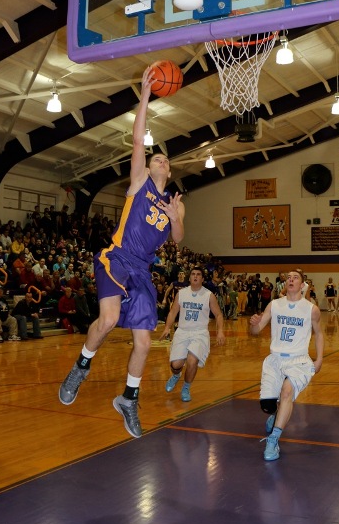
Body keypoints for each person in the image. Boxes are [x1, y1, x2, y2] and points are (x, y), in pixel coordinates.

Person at [58, 66, 185, 438]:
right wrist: (145, 95)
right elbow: (138, 140)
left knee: (144, 341)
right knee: (109, 320)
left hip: (143, 270)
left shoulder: (175, 202)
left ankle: (129, 398)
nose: (160, 160)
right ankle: (81, 367)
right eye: (156, 158)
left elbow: (178, 238)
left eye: (165, 160)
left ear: (169, 171)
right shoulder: (139, 181)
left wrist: (173, 216)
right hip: (117, 258)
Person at [250, 269, 323, 462]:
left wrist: (319, 359)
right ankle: (275, 415)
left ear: (302, 285)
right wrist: (254, 324)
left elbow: (319, 334)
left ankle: (273, 440)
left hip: (299, 360)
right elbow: (256, 331)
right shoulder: (274, 305)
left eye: (295, 277)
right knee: (268, 406)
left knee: (287, 392)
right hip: (276, 359)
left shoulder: (311, 309)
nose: (291, 280)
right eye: (288, 277)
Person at [159, 266, 225, 402]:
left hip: (199, 333)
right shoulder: (181, 293)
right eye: (193, 274)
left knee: (192, 361)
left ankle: (186, 387)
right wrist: (167, 328)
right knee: (175, 365)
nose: (195, 276)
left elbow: (218, 315)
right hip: (182, 331)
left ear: (202, 278)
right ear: (189, 278)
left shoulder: (208, 295)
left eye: (198, 274)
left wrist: (220, 332)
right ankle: (176, 375)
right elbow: (173, 312)